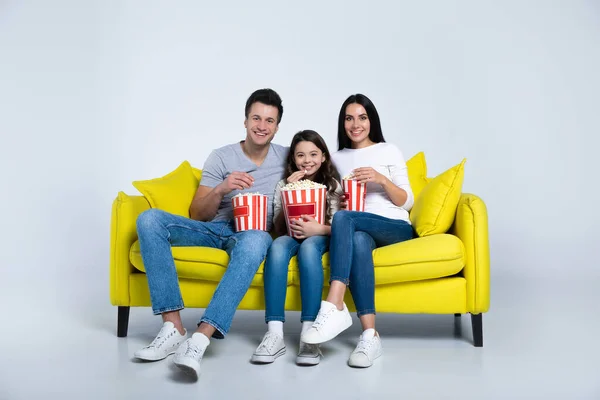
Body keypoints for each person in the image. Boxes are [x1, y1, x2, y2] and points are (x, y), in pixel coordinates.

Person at [133, 88, 288, 379]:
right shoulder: (221, 156)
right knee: (149, 219)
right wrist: (222, 188)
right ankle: (173, 327)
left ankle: (200, 338)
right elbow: (196, 214)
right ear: (245, 121)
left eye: (269, 121)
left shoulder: (288, 158)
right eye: (256, 118)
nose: (262, 126)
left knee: (257, 239)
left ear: (277, 127)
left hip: (254, 233)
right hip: (216, 228)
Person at [300, 94, 415, 368]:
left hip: (394, 226)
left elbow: (407, 201)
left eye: (362, 117)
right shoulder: (338, 159)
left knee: (345, 220)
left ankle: (334, 303)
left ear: (371, 120)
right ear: (343, 123)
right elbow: (335, 203)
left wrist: (381, 179)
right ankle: (369, 335)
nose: (356, 124)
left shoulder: (389, 150)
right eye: (349, 118)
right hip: (359, 227)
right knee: (359, 241)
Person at [250, 130, 342, 366]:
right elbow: (278, 228)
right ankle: (274, 333)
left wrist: (317, 229)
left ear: (323, 156)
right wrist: (288, 194)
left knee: (309, 249)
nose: (307, 160)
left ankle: (309, 334)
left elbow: (339, 226)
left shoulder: (331, 184)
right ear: (293, 159)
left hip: (320, 237)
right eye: (301, 155)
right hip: (289, 236)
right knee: (278, 247)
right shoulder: (284, 184)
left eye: (313, 154)